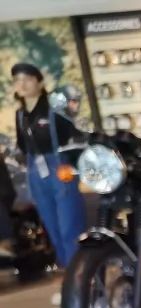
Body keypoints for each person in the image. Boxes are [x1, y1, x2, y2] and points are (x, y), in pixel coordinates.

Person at [11, 62, 85, 268]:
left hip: (60, 169)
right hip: (36, 172)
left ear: (39, 82)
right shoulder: (20, 114)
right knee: (51, 226)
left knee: (69, 224)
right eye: (17, 80)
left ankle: (80, 274)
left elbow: (76, 138)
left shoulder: (55, 108)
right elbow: (23, 146)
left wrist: (71, 165)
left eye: (27, 79)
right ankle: (68, 272)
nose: (22, 84)